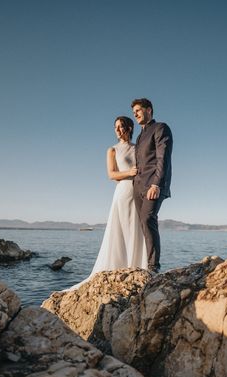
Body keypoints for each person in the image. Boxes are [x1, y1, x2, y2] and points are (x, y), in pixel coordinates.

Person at [68, 116, 148, 289]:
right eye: (116, 127)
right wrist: (130, 172)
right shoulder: (112, 150)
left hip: (138, 192)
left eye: (121, 126)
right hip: (123, 192)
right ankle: (119, 267)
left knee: (136, 228)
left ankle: (137, 267)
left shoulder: (138, 148)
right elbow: (111, 175)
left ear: (129, 128)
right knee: (121, 229)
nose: (118, 130)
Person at [131, 98, 172, 273]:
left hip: (154, 185)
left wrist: (156, 184)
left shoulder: (160, 128)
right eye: (134, 113)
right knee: (142, 223)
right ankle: (145, 262)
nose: (135, 114)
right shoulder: (139, 136)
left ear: (149, 110)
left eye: (138, 111)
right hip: (138, 186)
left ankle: (153, 267)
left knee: (148, 219)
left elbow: (163, 158)